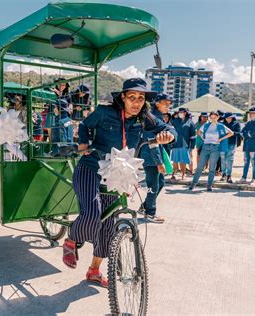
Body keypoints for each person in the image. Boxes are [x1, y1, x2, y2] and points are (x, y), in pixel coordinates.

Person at [61, 78, 173, 287]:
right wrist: (83, 143)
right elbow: (85, 125)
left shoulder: (143, 118)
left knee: (108, 227)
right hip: (91, 167)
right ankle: (71, 240)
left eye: (141, 98)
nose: (137, 102)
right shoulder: (105, 112)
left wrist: (167, 135)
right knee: (92, 214)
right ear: (122, 97)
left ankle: (94, 271)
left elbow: (166, 128)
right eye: (132, 97)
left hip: (117, 174)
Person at [138, 93, 176, 224]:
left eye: (170, 103)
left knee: (160, 183)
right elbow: (152, 142)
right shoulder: (151, 117)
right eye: (166, 102)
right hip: (150, 158)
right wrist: (159, 162)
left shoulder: (159, 117)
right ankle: (150, 213)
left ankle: (145, 207)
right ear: (157, 103)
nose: (168, 105)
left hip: (154, 157)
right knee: (153, 185)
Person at [189, 111, 234, 191]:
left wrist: (221, 139)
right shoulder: (206, 125)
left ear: (218, 117)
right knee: (200, 167)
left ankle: (209, 185)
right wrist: (203, 138)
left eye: (215, 117)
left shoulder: (221, 126)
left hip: (215, 148)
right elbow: (199, 132)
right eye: (211, 117)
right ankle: (193, 184)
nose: (213, 119)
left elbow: (231, 133)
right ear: (210, 117)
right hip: (205, 146)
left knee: (212, 168)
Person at [239, 107, 255, 184]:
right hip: (247, 145)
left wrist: (247, 133)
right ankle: (243, 178)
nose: (252, 114)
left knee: (254, 162)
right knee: (246, 162)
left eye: (254, 113)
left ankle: (254, 179)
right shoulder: (248, 123)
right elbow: (242, 132)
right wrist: (247, 134)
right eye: (251, 113)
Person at [171, 107, 196, 180]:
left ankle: (183, 174)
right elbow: (171, 131)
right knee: (175, 160)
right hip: (176, 143)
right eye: (179, 112)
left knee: (183, 160)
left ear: (185, 113)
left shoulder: (190, 122)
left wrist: (192, 146)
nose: (180, 113)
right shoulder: (174, 121)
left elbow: (193, 136)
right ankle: (174, 174)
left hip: (185, 144)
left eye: (182, 112)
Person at [220, 112, 241, 183]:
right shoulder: (222, 124)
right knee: (223, 159)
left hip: (232, 143)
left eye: (230, 117)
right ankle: (223, 174)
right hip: (223, 143)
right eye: (227, 117)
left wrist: (230, 133)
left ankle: (229, 175)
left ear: (232, 117)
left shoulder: (236, 124)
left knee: (230, 159)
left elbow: (239, 133)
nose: (228, 118)